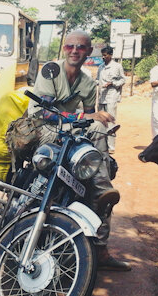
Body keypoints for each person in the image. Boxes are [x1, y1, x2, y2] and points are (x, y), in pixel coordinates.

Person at [28, 30, 131, 271]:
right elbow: (41, 112)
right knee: (93, 129)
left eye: (81, 47)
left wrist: (91, 120)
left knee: (98, 132)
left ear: (89, 52)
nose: (75, 51)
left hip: (72, 134)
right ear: (64, 49)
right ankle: (102, 187)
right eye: (70, 46)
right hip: (45, 130)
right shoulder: (50, 71)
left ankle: (101, 243)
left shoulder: (87, 82)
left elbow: (90, 117)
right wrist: (82, 117)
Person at [96, 46, 126, 154]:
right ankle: (101, 144)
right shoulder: (100, 67)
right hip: (101, 97)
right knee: (101, 120)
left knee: (111, 120)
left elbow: (123, 79)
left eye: (105, 55)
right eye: (102, 55)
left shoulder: (117, 66)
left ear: (111, 55)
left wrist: (113, 83)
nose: (103, 57)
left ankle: (111, 146)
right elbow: (97, 80)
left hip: (111, 96)